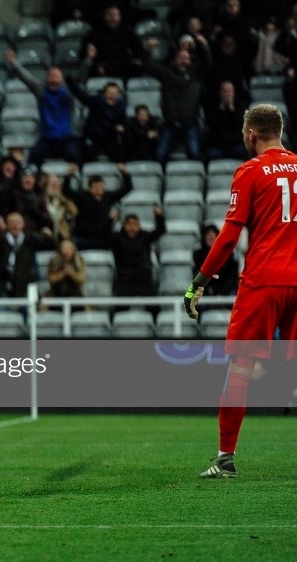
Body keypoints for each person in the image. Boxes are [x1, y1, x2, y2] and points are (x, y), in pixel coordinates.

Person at [184, 103, 297, 478]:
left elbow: (230, 236)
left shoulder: (250, 171)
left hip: (264, 280)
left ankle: (226, 459)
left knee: (241, 366)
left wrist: (198, 283)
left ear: (251, 135)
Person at [5, 49, 79, 166]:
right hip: (47, 140)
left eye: (57, 75)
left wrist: (88, 61)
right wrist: (14, 63)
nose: (54, 77)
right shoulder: (41, 90)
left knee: (75, 155)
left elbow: (81, 79)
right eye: (51, 75)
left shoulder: (69, 91)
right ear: (46, 78)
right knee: (34, 156)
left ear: (62, 78)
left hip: (67, 138)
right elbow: (26, 78)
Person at [140, 46, 210, 164]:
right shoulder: (166, 73)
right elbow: (149, 67)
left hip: (190, 123)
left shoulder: (196, 74)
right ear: (175, 60)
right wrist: (148, 51)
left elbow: (208, 63)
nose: (183, 60)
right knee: (160, 155)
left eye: (186, 58)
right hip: (171, 124)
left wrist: (202, 45)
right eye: (180, 58)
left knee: (195, 154)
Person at [69, 47, 127, 163]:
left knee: (120, 158)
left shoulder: (120, 106)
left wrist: (121, 127)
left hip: (110, 137)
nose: (112, 95)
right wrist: (71, 83)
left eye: (114, 93)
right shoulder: (97, 101)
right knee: (86, 158)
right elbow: (82, 96)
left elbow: (123, 122)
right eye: (109, 93)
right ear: (104, 93)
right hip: (94, 136)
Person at [0, 212, 55, 298]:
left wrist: (49, 237)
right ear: (7, 225)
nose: (15, 225)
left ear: (23, 225)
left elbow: (51, 245)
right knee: (0, 309)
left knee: (28, 307)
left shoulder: (30, 238)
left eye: (17, 222)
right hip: (3, 284)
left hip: (24, 284)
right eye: (11, 222)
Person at [68, 165, 134, 250]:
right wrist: (69, 176)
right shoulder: (82, 197)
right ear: (89, 189)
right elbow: (67, 191)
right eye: (95, 187)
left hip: (103, 238)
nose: (98, 190)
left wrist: (125, 174)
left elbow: (127, 189)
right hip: (83, 238)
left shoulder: (108, 197)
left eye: (100, 187)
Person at [111, 209, 165, 297]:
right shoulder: (118, 238)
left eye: (135, 224)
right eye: (129, 224)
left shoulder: (145, 237)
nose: (132, 227)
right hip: (124, 277)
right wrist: (110, 220)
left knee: (153, 305)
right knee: (120, 306)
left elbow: (160, 231)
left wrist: (159, 217)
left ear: (139, 225)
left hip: (143, 276)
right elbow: (104, 236)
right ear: (124, 225)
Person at [205, 80, 248, 162]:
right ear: (220, 93)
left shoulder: (241, 107)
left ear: (234, 93)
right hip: (218, 146)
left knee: (243, 151)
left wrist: (232, 109)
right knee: (210, 153)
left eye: (230, 91)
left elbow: (241, 125)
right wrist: (222, 109)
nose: (227, 94)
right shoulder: (213, 108)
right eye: (225, 91)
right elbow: (212, 125)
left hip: (235, 145)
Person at [192, 224, 239, 298]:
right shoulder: (198, 254)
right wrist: (208, 289)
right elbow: (197, 275)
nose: (211, 237)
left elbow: (232, 277)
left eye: (213, 235)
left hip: (225, 289)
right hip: (205, 289)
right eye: (208, 236)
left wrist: (222, 291)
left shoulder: (228, 253)